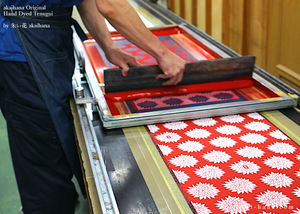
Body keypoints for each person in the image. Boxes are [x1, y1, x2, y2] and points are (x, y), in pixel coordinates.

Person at [0, 0, 186, 213]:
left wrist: (108, 46)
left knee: (53, 147)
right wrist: (163, 54)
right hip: (23, 55)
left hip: (42, 44)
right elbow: (110, 4)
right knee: (43, 167)